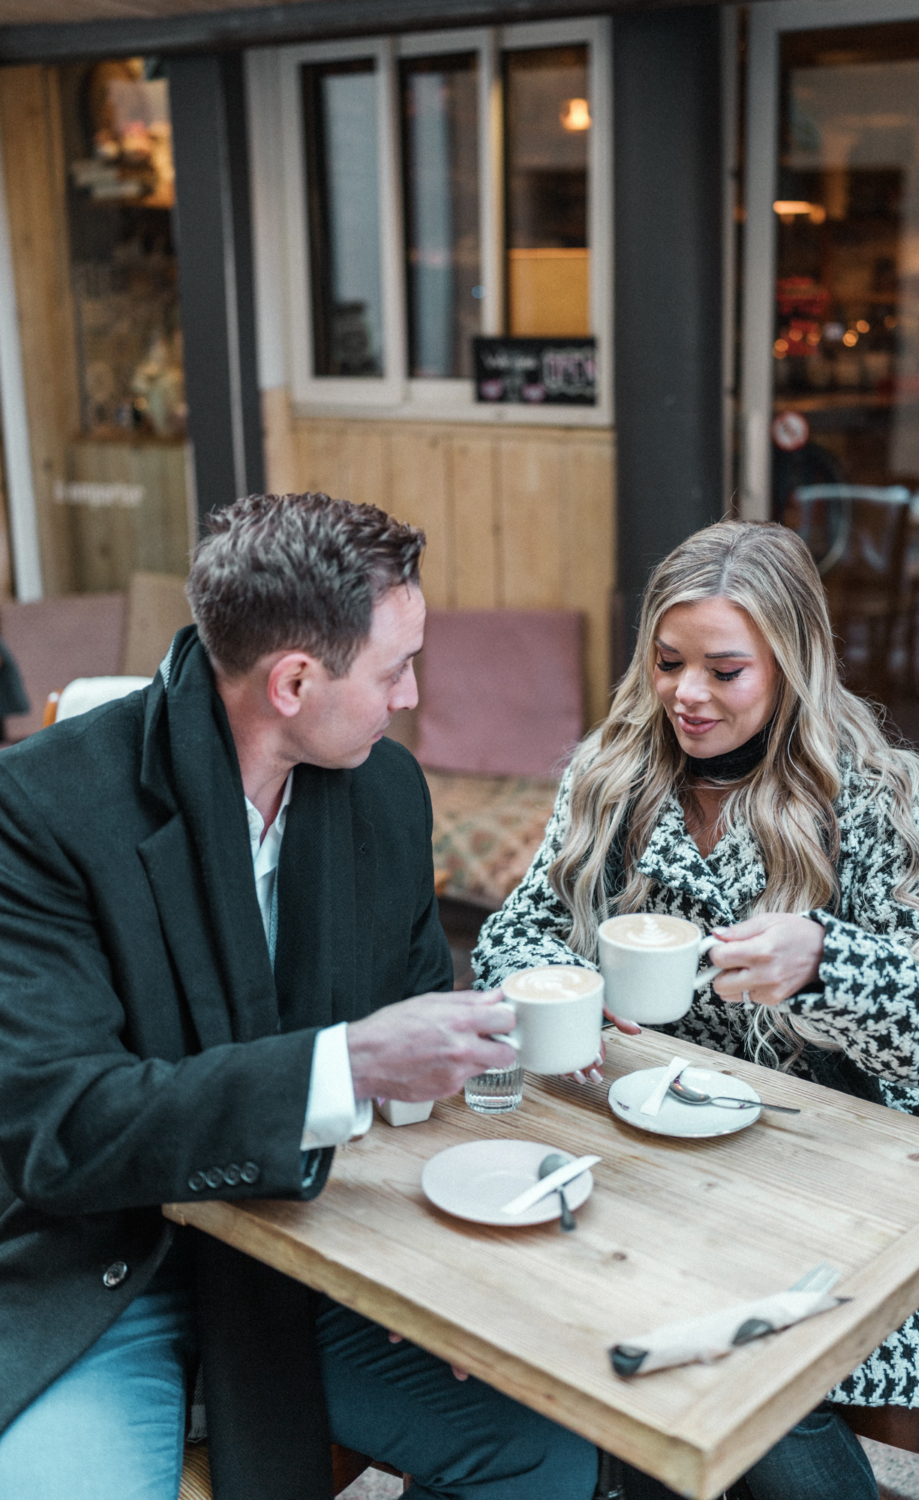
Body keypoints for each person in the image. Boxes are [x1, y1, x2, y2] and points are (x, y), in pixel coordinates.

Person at [0, 493, 596, 1500]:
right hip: (110, 1273)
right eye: (394, 668)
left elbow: (413, 1085)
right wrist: (347, 1064)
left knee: (551, 1448)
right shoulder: (45, 807)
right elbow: (61, 1128)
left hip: (313, 1260)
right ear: (292, 681)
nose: (411, 695)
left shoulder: (387, 793)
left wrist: (448, 1285)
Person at [473, 518, 919, 1500]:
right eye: (669, 663)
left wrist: (827, 959)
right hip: (650, 1152)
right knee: (596, 1330)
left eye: (725, 671)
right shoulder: (610, 774)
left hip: (833, 1168)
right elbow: (516, 934)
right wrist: (563, 994)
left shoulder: (866, 794)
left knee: (707, 1368)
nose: (686, 695)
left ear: (789, 666)